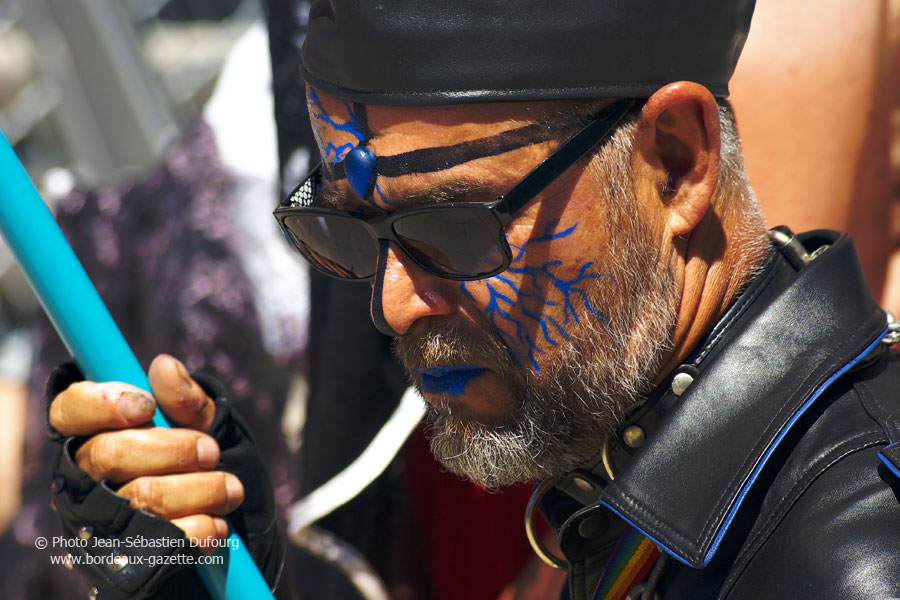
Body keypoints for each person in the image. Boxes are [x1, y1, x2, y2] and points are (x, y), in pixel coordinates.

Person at [45, 1, 900, 599]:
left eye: (454, 231)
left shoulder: (851, 562)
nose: (393, 305)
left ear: (675, 163)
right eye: (355, 234)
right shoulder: (646, 491)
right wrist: (233, 572)